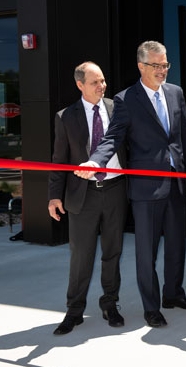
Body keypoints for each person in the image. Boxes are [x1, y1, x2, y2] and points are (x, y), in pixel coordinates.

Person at [75, 41, 186, 328]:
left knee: (176, 245)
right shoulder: (126, 99)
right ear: (141, 66)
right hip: (146, 187)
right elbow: (113, 137)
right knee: (146, 252)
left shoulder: (176, 93)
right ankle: (151, 307)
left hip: (177, 181)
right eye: (156, 65)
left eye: (165, 64)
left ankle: (173, 294)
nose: (162, 70)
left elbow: (184, 136)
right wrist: (96, 162)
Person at [48, 61, 128, 335]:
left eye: (103, 81)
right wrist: (53, 197)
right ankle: (74, 311)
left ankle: (110, 304)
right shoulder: (65, 117)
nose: (101, 86)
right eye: (95, 82)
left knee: (112, 251)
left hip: (115, 190)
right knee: (81, 256)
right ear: (79, 85)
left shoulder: (117, 109)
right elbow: (59, 160)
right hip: (82, 195)